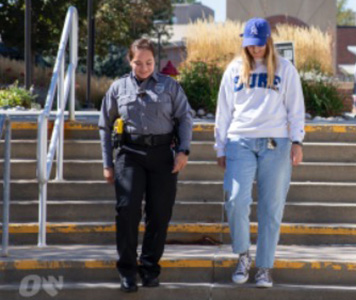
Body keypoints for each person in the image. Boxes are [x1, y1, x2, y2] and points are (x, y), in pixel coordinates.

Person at [214, 18, 305, 288]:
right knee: (236, 200)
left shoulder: (285, 69)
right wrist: (220, 146)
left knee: (271, 207)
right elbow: (223, 110)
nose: (255, 50)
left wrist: (297, 141)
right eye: (250, 45)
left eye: (260, 44)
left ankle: (264, 266)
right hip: (240, 141)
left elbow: (295, 107)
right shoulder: (234, 69)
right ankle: (243, 255)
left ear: (269, 41)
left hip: (276, 143)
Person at [98, 37, 193, 293]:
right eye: (138, 62)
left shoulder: (170, 86)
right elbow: (105, 126)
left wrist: (183, 150)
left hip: (163, 155)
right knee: (127, 210)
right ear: (130, 61)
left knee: (159, 213)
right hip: (129, 154)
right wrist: (108, 163)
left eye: (149, 62)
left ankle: (149, 268)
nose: (143, 68)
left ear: (156, 61)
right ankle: (127, 271)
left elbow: (185, 117)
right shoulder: (118, 88)